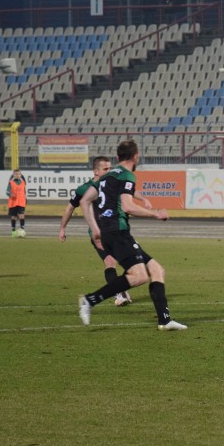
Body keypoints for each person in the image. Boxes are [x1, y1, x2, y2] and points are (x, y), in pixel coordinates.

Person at [77, 140, 187, 331]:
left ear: (118, 157)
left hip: (110, 233)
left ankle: (165, 320)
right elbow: (127, 206)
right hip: (118, 233)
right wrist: (155, 214)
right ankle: (90, 300)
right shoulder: (127, 175)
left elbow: (85, 200)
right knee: (139, 277)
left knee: (157, 270)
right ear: (136, 156)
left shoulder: (107, 176)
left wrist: (95, 229)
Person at [59, 156, 131, 308]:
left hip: (117, 231)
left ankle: (121, 289)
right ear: (95, 171)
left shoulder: (113, 184)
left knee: (132, 264)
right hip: (99, 234)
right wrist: (62, 228)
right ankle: (119, 294)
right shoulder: (85, 189)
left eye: (110, 168)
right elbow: (70, 208)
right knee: (110, 262)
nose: (109, 171)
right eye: (105, 169)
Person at [6, 168, 27, 238]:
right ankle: (13, 231)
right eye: (16, 174)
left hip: (21, 202)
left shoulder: (23, 182)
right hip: (13, 202)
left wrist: (25, 199)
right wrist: (10, 195)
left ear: (21, 175)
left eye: (19, 174)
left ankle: (22, 230)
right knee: (13, 217)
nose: (17, 175)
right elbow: (7, 192)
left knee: (21, 215)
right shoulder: (11, 182)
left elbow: (24, 191)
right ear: (13, 175)